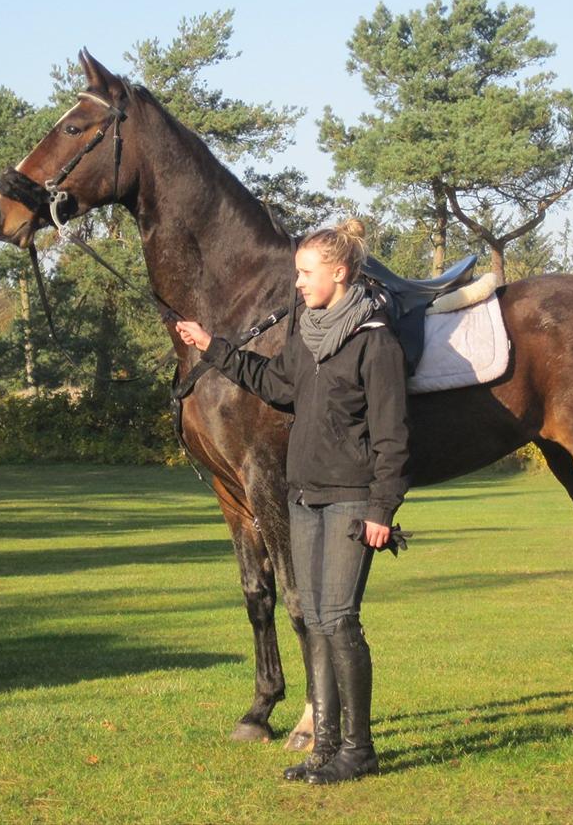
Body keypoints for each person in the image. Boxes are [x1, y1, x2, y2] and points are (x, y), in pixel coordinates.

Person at [175, 218, 411, 785]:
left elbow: (392, 436)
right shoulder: (307, 334)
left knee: (338, 620)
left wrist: (382, 510)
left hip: (353, 500)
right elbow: (276, 385)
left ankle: (360, 749)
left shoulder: (374, 342)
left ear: (340, 272)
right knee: (313, 617)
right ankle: (324, 747)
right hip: (303, 497)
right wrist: (214, 348)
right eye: (297, 273)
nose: (298, 283)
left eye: (306, 273)